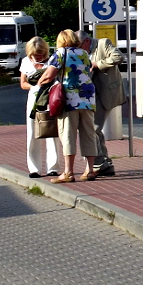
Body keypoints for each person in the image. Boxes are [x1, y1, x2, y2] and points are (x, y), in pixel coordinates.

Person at [38, 29, 98, 183]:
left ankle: (68, 172)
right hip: (88, 97)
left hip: (70, 98)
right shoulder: (84, 53)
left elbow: (50, 74)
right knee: (88, 133)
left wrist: (40, 82)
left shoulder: (60, 53)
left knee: (68, 134)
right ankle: (90, 170)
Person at [79, 31, 125, 176]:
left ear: (86, 41)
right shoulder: (82, 52)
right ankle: (105, 163)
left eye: (80, 46)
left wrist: (98, 64)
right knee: (93, 128)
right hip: (91, 94)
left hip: (106, 93)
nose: (79, 50)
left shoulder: (103, 43)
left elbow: (118, 57)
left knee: (93, 128)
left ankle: (99, 163)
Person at [18, 36, 58, 178]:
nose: (39, 56)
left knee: (51, 132)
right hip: (33, 100)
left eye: (41, 53)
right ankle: (34, 168)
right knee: (32, 133)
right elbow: (22, 83)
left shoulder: (52, 61)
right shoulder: (25, 62)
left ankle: (53, 167)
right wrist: (34, 87)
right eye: (36, 54)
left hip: (49, 99)